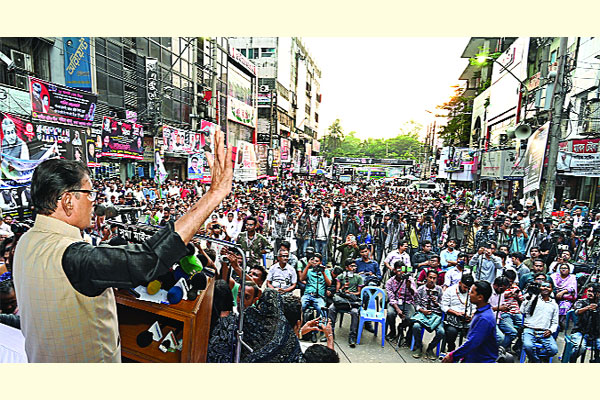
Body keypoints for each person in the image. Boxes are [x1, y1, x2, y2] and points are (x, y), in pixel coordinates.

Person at [12, 130, 232, 362]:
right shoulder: (71, 256)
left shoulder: (26, 241)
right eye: (90, 193)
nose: (94, 201)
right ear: (68, 201)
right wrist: (214, 194)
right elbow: (148, 260)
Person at [442, 280, 498, 363]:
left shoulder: (484, 318)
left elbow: (472, 342)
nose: (469, 294)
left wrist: (453, 356)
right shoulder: (481, 312)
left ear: (480, 297)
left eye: (472, 292)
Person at [520, 278, 559, 363]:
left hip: (544, 332)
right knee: (528, 346)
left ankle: (534, 356)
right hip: (529, 329)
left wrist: (550, 330)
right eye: (543, 286)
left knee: (553, 350)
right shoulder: (533, 298)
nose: (545, 288)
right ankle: (536, 362)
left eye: (548, 287)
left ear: (551, 289)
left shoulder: (554, 304)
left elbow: (555, 322)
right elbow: (522, 311)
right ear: (539, 288)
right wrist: (528, 298)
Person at [328, 258, 364, 348]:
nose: (354, 268)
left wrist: (351, 293)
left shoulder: (358, 278)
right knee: (331, 309)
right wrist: (344, 287)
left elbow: (359, 292)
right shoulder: (341, 277)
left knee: (355, 312)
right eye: (351, 266)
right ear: (347, 267)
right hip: (341, 299)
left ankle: (352, 336)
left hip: (352, 301)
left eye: (354, 266)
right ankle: (330, 333)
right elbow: (337, 290)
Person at [411, 269, 444, 360]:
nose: (432, 280)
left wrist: (436, 303)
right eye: (430, 277)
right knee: (416, 326)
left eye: (434, 278)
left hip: (435, 315)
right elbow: (416, 303)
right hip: (423, 314)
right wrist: (422, 310)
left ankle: (430, 348)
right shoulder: (421, 289)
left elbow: (443, 305)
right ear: (426, 278)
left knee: (441, 332)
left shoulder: (439, 290)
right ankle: (419, 346)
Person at [441, 273, 475, 353]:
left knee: (475, 333)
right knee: (451, 332)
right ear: (460, 283)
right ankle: (451, 350)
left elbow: (474, 307)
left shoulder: (472, 293)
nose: (466, 290)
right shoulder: (450, 290)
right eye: (465, 287)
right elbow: (444, 306)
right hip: (453, 319)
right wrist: (456, 313)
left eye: (468, 288)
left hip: (467, 320)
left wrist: (472, 316)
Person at [385, 260, 417, 343]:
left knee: (411, 318)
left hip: (407, 302)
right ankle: (392, 332)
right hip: (395, 303)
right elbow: (391, 298)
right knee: (390, 313)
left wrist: (409, 287)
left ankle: (401, 327)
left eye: (402, 270)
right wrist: (398, 310)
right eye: (398, 270)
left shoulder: (409, 279)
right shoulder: (390, 282)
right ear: (394, 270)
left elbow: (414, 295)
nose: (400, 272)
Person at [569, 283, 600, 363]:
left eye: (593, 291)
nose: (590, 293)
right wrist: (588, 308)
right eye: (589, 291)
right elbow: (577, 311)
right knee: (580, 348)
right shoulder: (581, 302)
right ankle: (570, 360)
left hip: (596, 334)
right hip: (580, 332)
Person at [550, 262, 577, 330]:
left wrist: (562, 292)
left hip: (566, 296)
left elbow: (572, 288)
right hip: (554, 294)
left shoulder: (572, 277)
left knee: (565, 305)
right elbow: (551, 285)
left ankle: (560, 322)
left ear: (569, 270)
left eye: (565, 268)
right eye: (561, 268)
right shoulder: (554, 276)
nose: (563, 270)